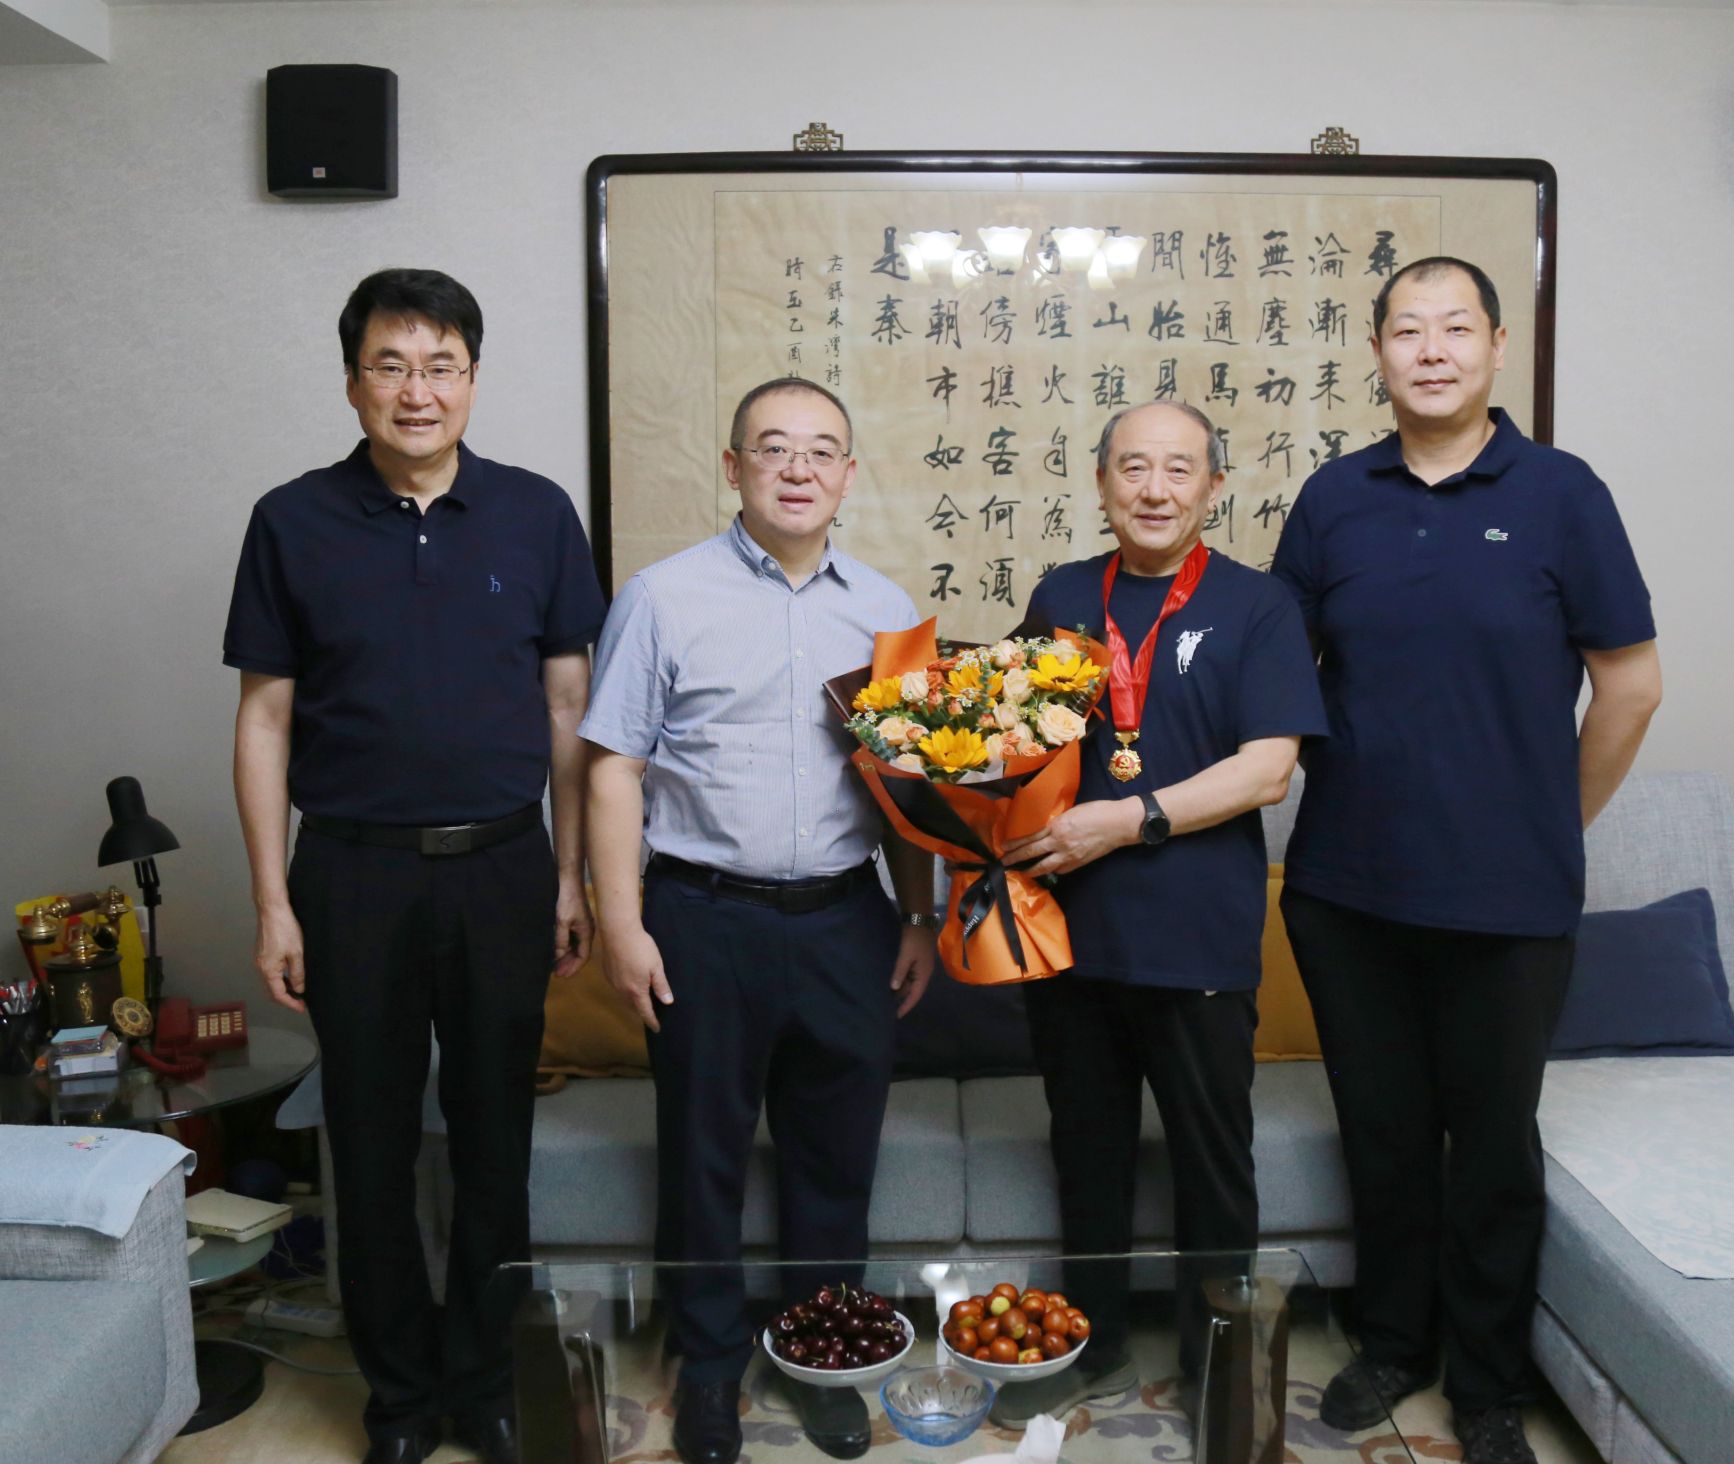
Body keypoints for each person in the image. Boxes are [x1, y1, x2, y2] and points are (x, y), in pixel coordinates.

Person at [1272, 256, 1661, 1464]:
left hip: (1507, 897)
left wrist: (1550, 822)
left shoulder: (1561, 494)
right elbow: (1276, 681)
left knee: (1490, 1145)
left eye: (1453, 328)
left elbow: (1630, 686)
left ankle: (1486, 1383)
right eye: (1406, 330)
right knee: (1380, 1132)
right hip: (1346, 891)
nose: (1430, 351)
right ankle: (1392, 1342)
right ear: (1376, 354)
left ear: (1496, 346)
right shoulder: (1333, 497)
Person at [225, 268, 606, 1464]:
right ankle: (396, 1400)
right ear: (353, 383)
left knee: (495, 1145)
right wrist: (273, 902)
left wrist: (569, 879)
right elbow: (265, 720)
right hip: (351, 876)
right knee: (371, 1145)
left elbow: (567, 709)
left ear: (473, 380)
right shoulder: (292, 520)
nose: (417, 391)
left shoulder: (535, 513)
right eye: (390, 366)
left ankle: (481, 1384)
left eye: (441, 366)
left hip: (501, 869)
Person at [580, 378, 939, 1464]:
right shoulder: (660, 597)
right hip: (702, 918)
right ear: (733, 467)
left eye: (820, 451)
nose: (797, 469)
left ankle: (824, 1361)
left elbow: (910, 782)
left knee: (835, 1162)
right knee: (703, 1158)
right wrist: (622, 924)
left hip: (845, 921)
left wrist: (915, 914)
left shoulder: (886, 611)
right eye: (773, 449)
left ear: (847, 476)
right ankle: (707, 1371)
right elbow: (612, 768)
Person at [989, 401, 1326, 1425]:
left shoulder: (1259, 606)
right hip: (1071, 937)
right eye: (1132, 467)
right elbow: (1013, 745)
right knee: (1084, 1160)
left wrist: (1126, 821)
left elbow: (1267, 771)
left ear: (1213, 487)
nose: (1154, 488)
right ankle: (1085, 1345)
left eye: (1179, 469)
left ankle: (1218, 1372)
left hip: (1198, 942)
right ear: (1100, 483)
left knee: (1211, 1170)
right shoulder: (1060, 595)